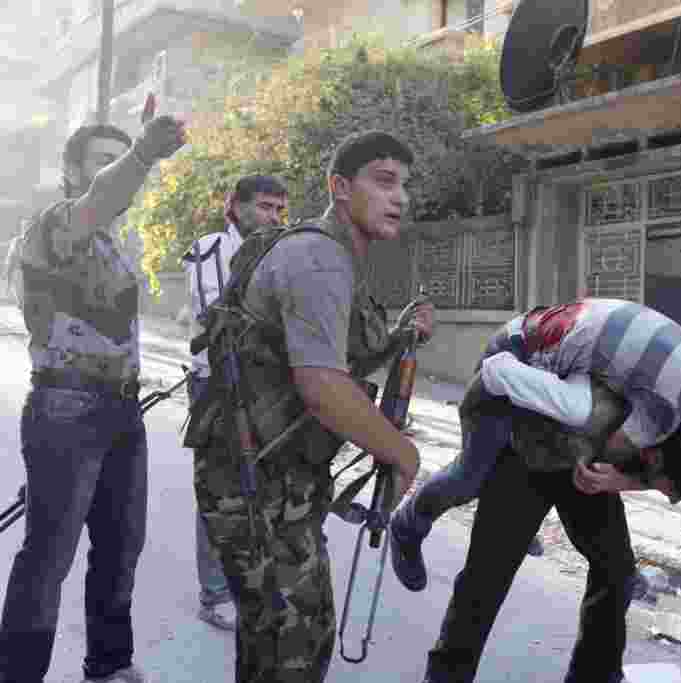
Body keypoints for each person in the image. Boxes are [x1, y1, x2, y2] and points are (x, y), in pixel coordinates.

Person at [392, 298, 681, 683]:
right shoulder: (670, 405)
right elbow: (624, 457)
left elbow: (661, 475)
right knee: (489, 570)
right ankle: (445, 673)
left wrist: (617, 478)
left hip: (584, 454)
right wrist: (619, 477)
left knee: (616, 571)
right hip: (530, 443)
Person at [185, 130, 434, 683]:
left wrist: (397, 338)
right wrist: (403, 455)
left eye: (405, 186)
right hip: (255, 480)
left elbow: (337, 358)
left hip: (274, 475)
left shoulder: (329, 255)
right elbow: (322, 385)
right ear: (340, 188)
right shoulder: (319, 259)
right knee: (292, 645)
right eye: (385, 181)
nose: (401, 198)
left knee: (276, 641)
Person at [0, 116, 186, 683]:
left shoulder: (110, 240)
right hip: (66, 407)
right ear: (73, 170)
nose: (109, 169)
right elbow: (102, 197)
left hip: (121, 408)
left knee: (121, 546)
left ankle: (108, 663)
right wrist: (143, 154)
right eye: (99, 159)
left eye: (118, 158)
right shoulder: (55, 224)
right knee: (49, 556)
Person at [183, 175, 289, 631]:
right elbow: (218, 316)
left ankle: (262, 582)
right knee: (222, 490)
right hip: (219, 384)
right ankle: (214, 593)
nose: (274, 217)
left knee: (272, 488)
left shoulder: (284, 249)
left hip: (271, 386)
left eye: (280, 210)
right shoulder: (211, 249)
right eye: (265, 207)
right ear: (237, 207)